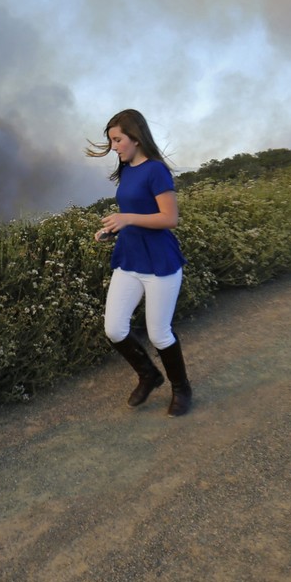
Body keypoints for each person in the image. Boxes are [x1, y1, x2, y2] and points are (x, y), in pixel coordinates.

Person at [86, 109, 193, 416]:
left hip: (159, 262)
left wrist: (127, 218)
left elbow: (170, 218)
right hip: (129, 259)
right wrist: (111, 229)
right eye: (112, 141)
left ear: (135, 137)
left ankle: (181, 387)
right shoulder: (127, 169)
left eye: (118, 140)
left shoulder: (156, 171)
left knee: (159, 333)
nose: (114, 147)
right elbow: (132, 213)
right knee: (115, 329)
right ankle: (149, 375)